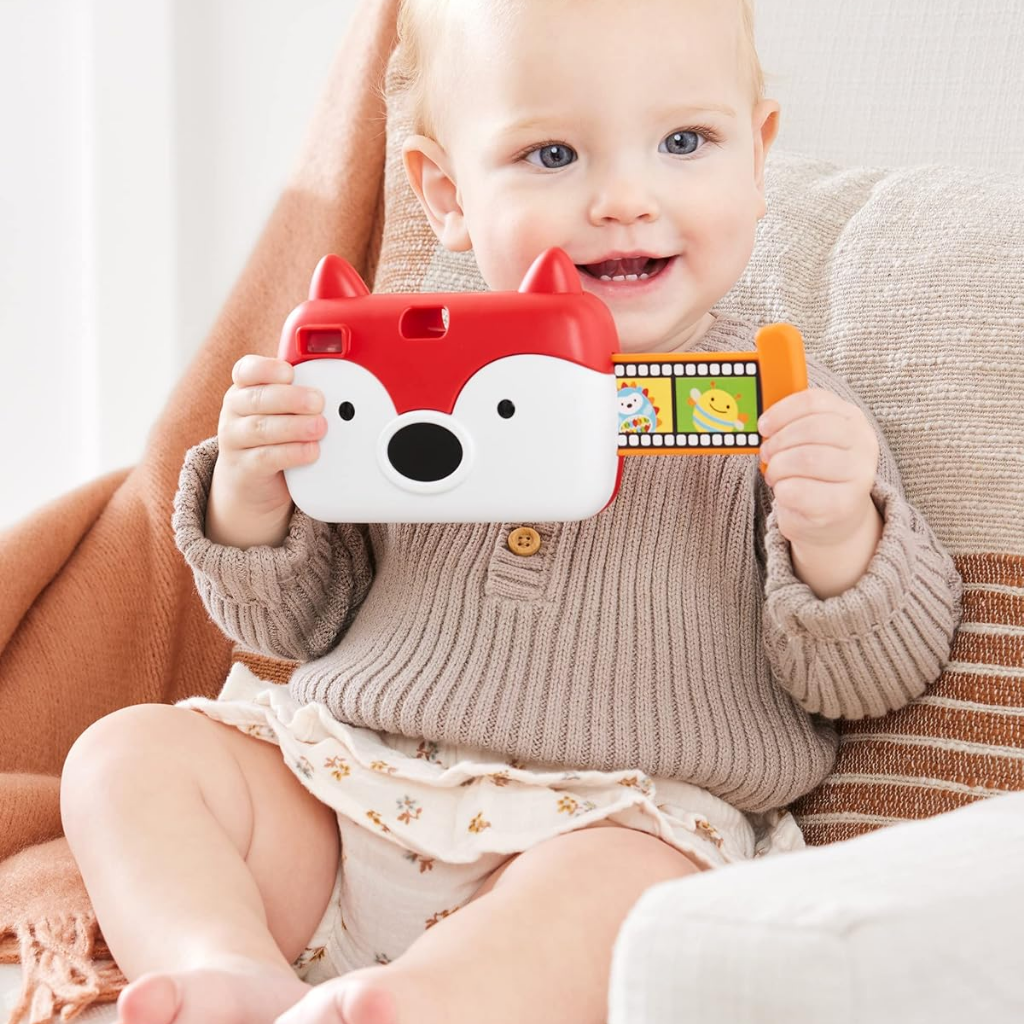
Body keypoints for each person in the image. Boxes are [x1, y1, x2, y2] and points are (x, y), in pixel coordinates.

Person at [59, 1, 963, 1023]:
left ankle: (421, 1003)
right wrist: (251, 494)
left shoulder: (785, 411)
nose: (624, 200)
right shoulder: (395, 372)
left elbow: (870, 681)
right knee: (125, 755)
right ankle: (225, 969)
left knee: (629, 894)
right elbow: (293, 625)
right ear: (447, 194)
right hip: (347, 786)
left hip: (613, 823)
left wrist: (837, 532)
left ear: (756, 160)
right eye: (551, 155)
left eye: (683, 142)